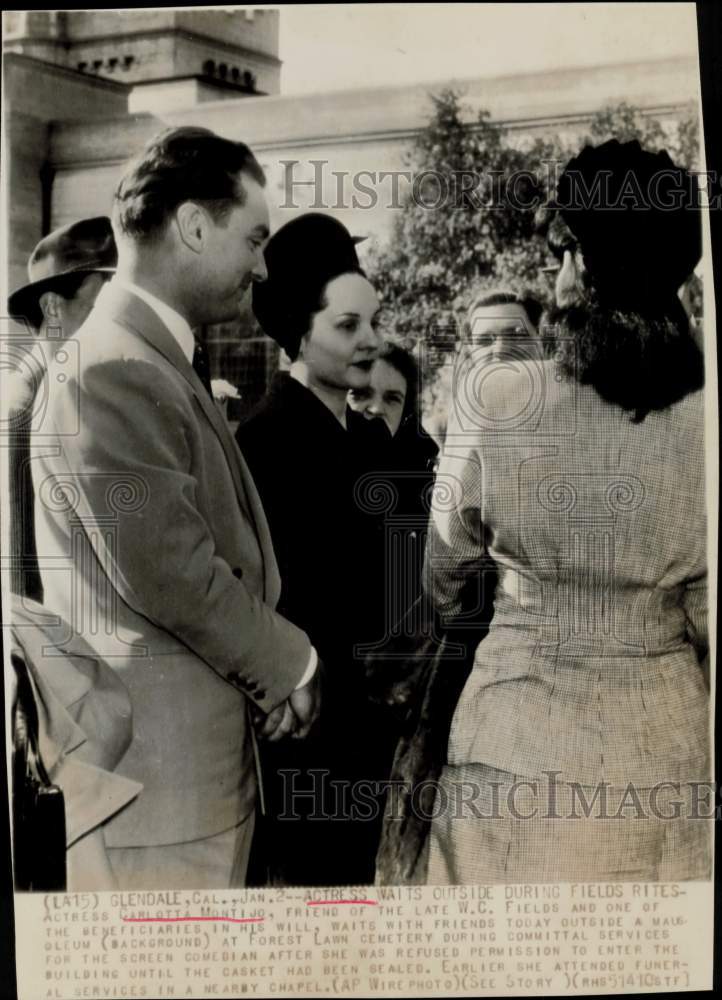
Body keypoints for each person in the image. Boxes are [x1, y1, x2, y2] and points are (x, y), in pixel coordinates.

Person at [31, 126, 321, 890]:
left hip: (183, 787)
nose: (261, 265)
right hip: (159, 802)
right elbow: (171, 571)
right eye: (253, 238)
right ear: (194, 226)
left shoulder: (142, 357)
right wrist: (291, 664)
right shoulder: (112, 368)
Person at [424, 138, 710, 884]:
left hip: (515, 743)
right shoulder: (708, 421)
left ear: (581, 260)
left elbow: (441, 574)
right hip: (665, 751)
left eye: (562, 253)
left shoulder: (498, 398)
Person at [236, 212, 397, 886]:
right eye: (347, 326)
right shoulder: (262, 443)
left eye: (375, 322)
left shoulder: (370, 439)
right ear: (300, 332)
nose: (370, 342)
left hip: (376, 729)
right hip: (307, 736)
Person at [6, 217, 117, 602]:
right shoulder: (20, 409)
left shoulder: (74, 391)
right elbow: (18, 579)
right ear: (53, 307)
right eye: (97, 309)